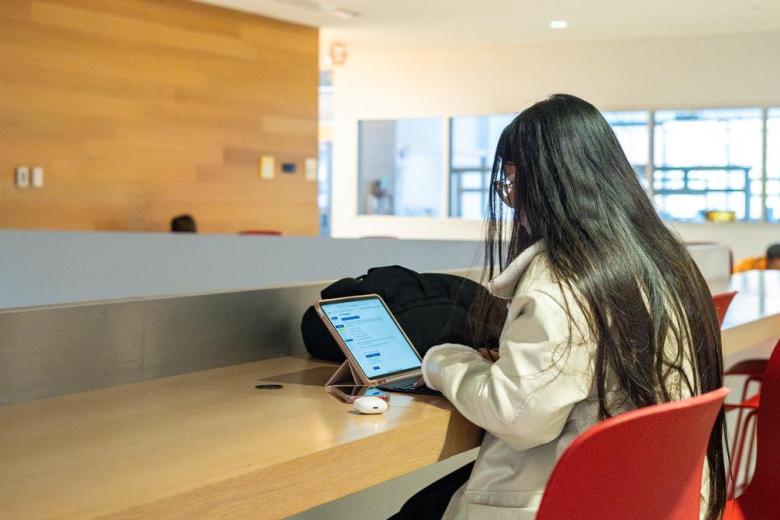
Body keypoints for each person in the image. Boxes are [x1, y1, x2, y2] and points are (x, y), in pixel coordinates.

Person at [393, 94, 726, 520]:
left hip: (570, 501)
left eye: (512, 185)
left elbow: (518, 418)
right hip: (649, 501)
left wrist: (442, 361)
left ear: (548, 186)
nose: (512, 202)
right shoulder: (663, 257)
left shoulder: (561, 274)